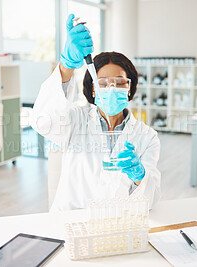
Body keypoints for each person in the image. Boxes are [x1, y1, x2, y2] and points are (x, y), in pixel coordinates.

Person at [30, 14, 161, 212]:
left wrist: (140, 177)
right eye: (103, 83)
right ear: (92, 89)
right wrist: (66, 67)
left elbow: (150, 200)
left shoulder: (147, 137)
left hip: (117, 223)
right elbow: (42, 120)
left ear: (129, 87)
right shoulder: (75, 120)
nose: (111, 88)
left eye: (119, 83)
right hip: (71, 221)